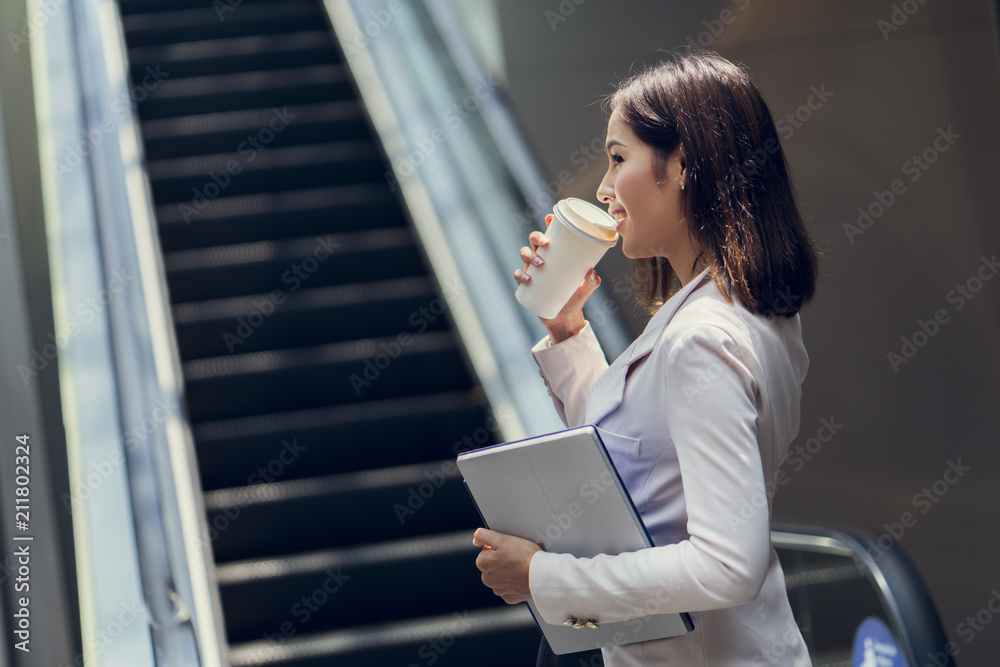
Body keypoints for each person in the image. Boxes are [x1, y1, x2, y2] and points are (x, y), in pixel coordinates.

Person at [472, 49, 818, 666]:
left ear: (683, 163)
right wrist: (567, 326)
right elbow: (644, 461)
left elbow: (725, 564)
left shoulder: (700, 337)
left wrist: (545, 580)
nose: (603, 189)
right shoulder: (745, 311)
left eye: (617, 159)